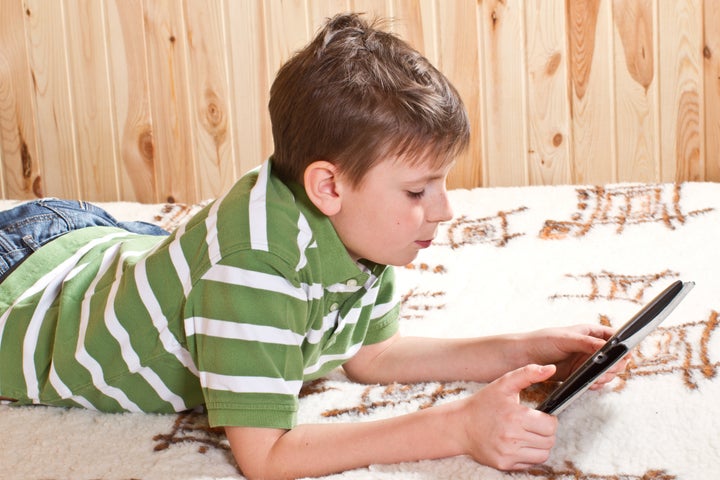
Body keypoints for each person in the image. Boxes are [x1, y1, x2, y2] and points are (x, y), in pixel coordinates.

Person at [0, 13, 627, 480]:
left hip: (92, 241)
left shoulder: (358, 233)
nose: (443, 210)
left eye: (442, 183)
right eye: (416, 191)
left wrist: (522, 349)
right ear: (328, 185)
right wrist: (454, 427)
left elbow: (368, 355)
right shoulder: (257, 269)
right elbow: (265, 455)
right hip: (20, 296)